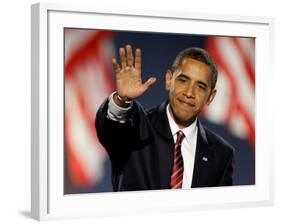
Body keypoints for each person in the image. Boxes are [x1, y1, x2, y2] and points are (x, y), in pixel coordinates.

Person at [95, 45, 235, 191]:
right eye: (183, 80)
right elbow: (110, 129)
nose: (189, 92)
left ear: (210, 97)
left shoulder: (222, 154)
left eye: (200, 86)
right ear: (169, 80)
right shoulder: (135, 127)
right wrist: (121, 100)